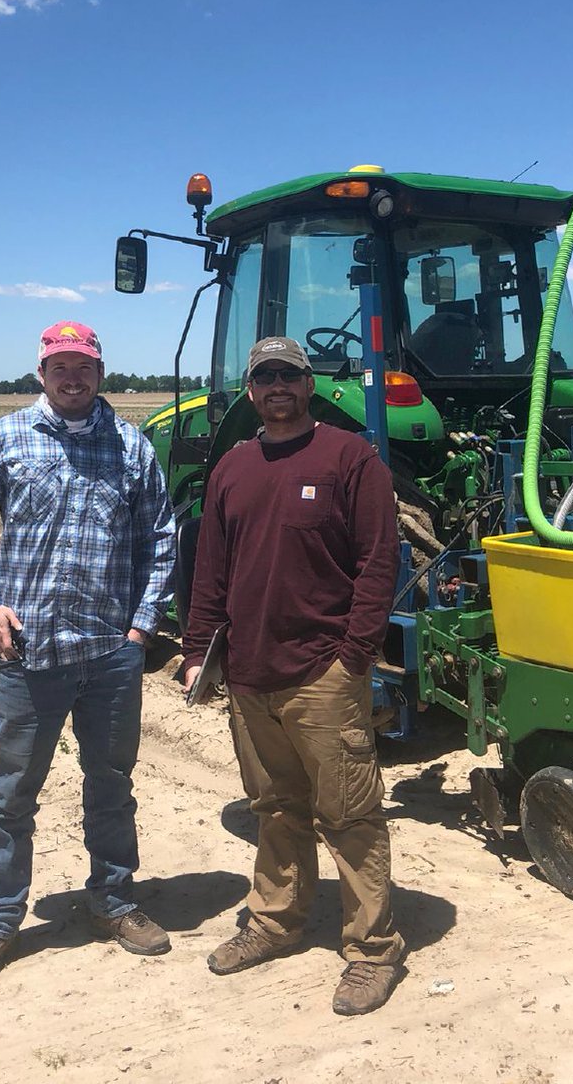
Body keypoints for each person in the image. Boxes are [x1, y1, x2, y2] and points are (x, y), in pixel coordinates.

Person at [0, 320, 175, 988]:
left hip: (110, 655)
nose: (73, 378)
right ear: (41, 373)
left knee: (112, 786)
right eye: (60, 367)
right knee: (11, 795)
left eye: (84, 367)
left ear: (102, 373)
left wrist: (141, 627)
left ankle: (115, 900)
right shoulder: (3, 437)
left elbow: (161, 536)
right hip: (29, 654)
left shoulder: (130, 445)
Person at [182, 336, 405, 1017]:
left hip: (322, 673)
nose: (277, 386)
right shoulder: (232, 468)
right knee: (274, 809)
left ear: (309, 386)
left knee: (350, 814)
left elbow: (378, 561)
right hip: (250, 673)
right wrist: (198, 649)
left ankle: (372, 951)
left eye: (290, 375)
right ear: (250, 392)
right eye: (265, 377)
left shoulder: (349, 458)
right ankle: (275, 923)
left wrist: (354, 655)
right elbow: (211, 569)